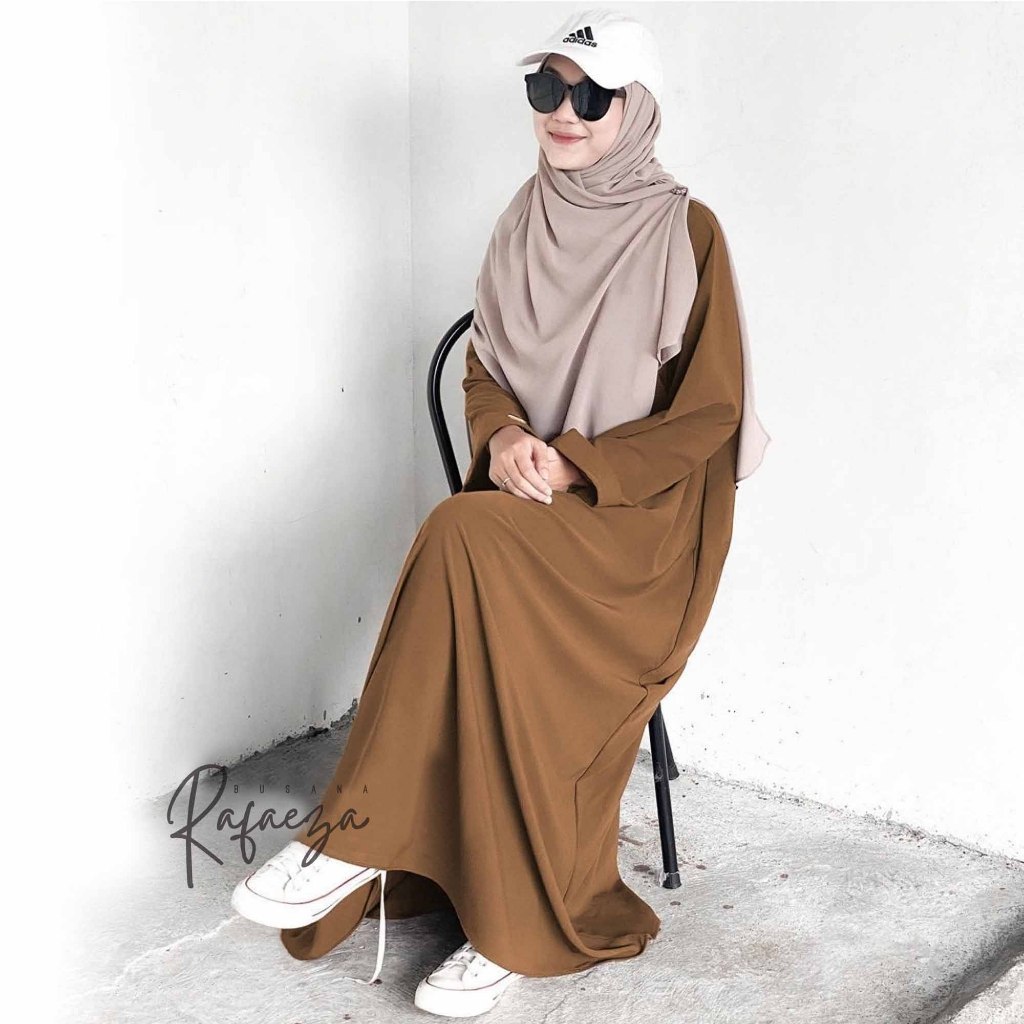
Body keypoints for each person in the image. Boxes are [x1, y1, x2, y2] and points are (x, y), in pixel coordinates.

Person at [230, 8, 769, 1018]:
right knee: (466, 534)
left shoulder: (686, 232)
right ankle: (433, 882)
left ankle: (357, 842)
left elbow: (711, 415)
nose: (563, 112)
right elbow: (486, 369)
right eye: (544, 88)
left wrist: (576, 463)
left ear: (637, 111)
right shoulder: (524, 219)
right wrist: (505, 435)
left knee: (457, 532)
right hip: (526, 510)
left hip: (635, 532)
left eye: (590, 95)